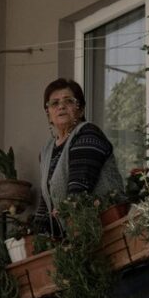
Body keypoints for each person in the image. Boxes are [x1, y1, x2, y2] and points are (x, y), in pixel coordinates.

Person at [32, 78, 124, 237]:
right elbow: (46, 197)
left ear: (80, 110)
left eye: (68, 101)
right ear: (48, 114)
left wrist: (65, 220)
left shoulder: (88, 134)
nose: (61, 106)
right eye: (54, 103)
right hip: (77, 235)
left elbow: (79, 188)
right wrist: (38, 234)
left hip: (106, 232)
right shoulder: (47, 149)